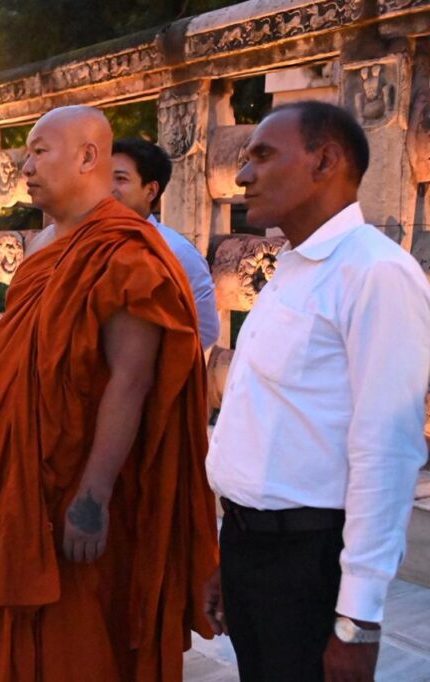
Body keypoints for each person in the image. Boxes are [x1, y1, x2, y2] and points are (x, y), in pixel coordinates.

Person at [0, 106, 217, 681]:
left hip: (84, 484)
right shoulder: (43, 245)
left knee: (83, 641)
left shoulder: (125, 251)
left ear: (88, 157)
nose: (25, 167)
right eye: (27, 153)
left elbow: (131, 381)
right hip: (26, 479)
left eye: (40, 151)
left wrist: (93, 498)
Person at [205, 101, 430, 681]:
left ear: (325, 161)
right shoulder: (292, 268)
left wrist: (357, 620)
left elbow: (387, 453)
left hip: (310, 561)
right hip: (250, 547)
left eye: (262, 156)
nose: (243, 175)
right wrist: (229, 556)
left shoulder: (375, 273)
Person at [112, 138, 220, 349]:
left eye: (120, 179)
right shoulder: (84, 241)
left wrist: (149, 361)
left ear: (150, 191)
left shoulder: (176, 251)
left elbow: (205, 330)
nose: (108, 189)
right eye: (103, 179)